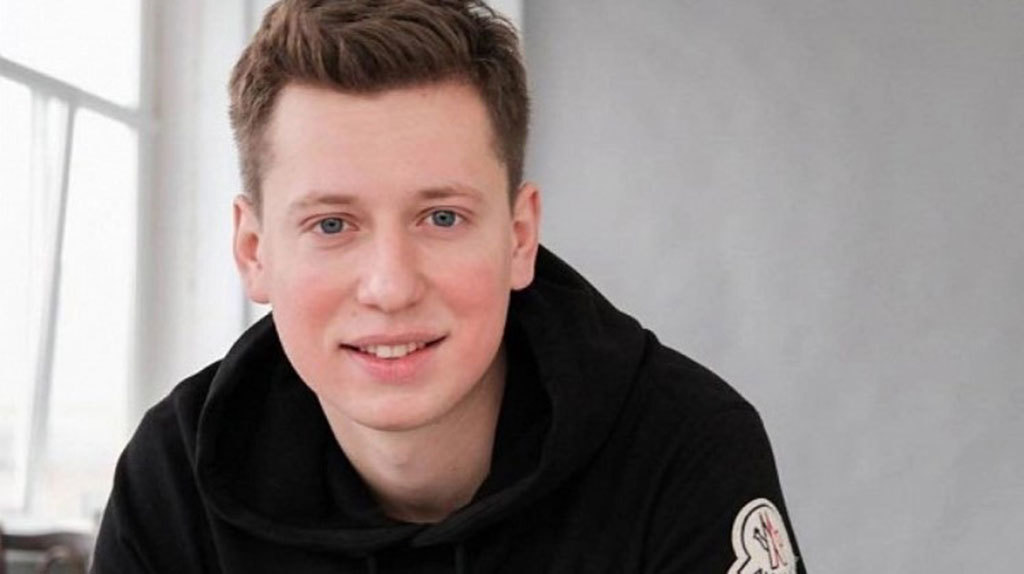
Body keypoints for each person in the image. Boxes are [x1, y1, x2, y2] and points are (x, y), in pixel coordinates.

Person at [91, 1, 805, 572]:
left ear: (519, 237)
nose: (390, 286)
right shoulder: (175, 476)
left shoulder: (684, 449)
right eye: (332, 224)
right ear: (254, 252)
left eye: (441, 217)